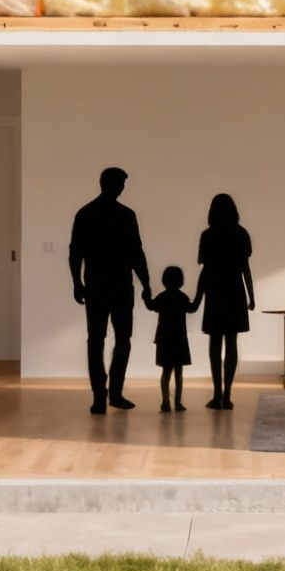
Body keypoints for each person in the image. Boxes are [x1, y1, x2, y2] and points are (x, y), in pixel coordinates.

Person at [69, 166, 151, 415]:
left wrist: (77, 282)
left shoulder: (86, 213)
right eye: (121, 184)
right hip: (120, 286)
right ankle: (113, 392)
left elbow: (75, 253)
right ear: (114, 185)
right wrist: (146, 284)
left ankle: (101, 396)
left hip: (96, 284)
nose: (122, 189)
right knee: (121, 339)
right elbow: (137, 253)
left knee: (96, 339)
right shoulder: (126, 215)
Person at [191, 192, 255, 410]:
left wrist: (198, 298)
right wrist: (251, 296)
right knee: (232, 342)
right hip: (235, 292)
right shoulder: (241, 234)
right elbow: (245, 269)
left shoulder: (207, 236)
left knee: (215, 343)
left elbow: (205, 270)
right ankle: (227, 393)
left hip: (215, 292)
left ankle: (217, 393)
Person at [146, 265, 198, 412]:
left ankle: (165, 402)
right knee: (179, 373)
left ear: (164, 280)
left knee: (166, 372)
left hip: (164, 338)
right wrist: (200, 294)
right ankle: (178, 402)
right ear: (181, 281)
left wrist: (146, 293)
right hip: (179, 339)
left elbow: (150, 305)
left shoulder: (162, 297)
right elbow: (192, 308)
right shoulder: (182, 298)